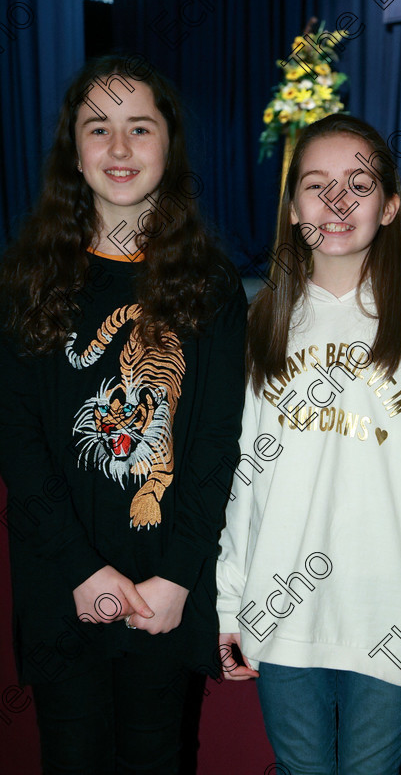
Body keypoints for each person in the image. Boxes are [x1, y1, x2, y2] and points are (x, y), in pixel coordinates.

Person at [216, 115, 401, 775]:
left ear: (390, 205)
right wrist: (232, 601)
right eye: (317, 185)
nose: (336, 204)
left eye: (358, 185)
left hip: (390, 622)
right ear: (292, 207)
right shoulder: (264, 321)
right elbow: (244, 477)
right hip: (281, 617)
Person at [0, 55, 246, 774]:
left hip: (163, 593)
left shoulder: (209, 283)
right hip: (62, 587)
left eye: (139, 128)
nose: (118, 149)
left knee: (156, 758)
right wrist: (81, 570)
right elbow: (19, 443)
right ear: (73, 153)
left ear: (167, 145)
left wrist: (176, 578)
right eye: (97, 129)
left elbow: (214, 444)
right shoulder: (27, 281)